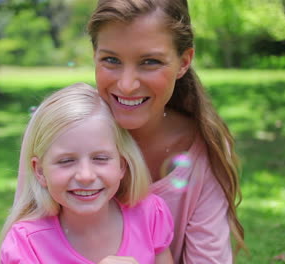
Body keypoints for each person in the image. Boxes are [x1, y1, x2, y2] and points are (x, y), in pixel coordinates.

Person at [87, 0, 247, 263]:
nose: (127, 85)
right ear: (94, 56)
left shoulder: (204, 148)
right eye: (111, 59)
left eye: (150, 62)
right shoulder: (59, 133)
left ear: (183, 62)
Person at [1, 83, 174, 264]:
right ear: (40, 171)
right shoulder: (26, 243)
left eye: (100, 158)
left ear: (122, 165)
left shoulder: (149, 215)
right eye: (66, 161)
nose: (86, 176)